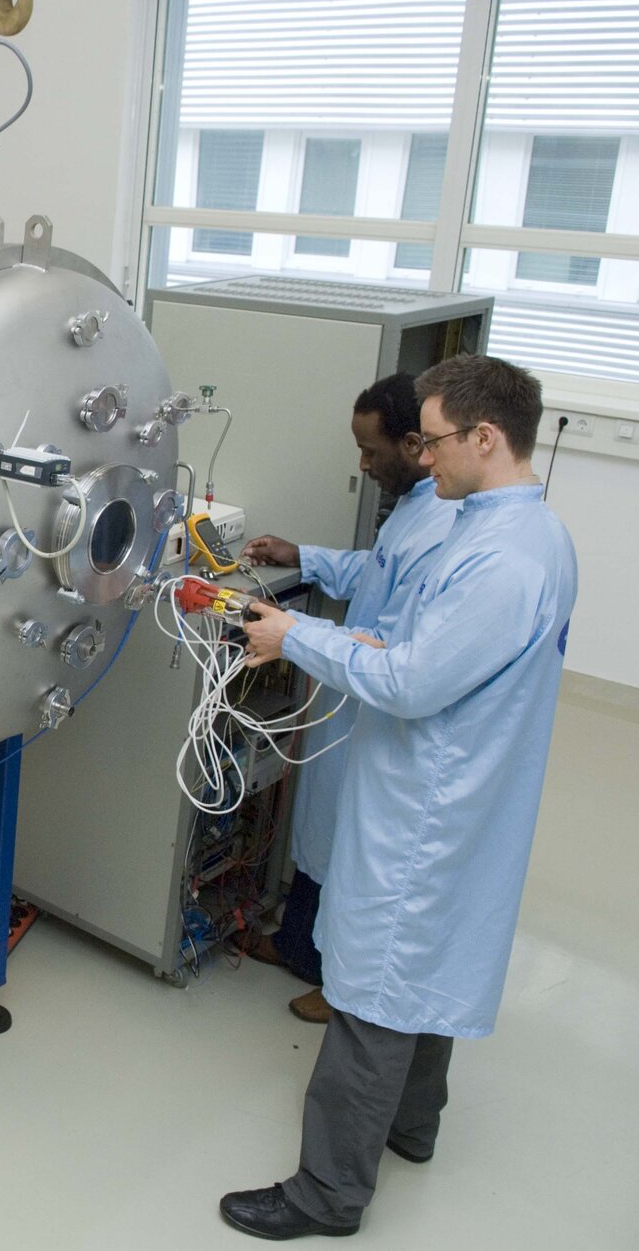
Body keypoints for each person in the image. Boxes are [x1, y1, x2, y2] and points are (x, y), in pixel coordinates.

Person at [218, 355, 578, 1240]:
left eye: (440, 439)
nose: (424, 457)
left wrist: (293, 633)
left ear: (486, 438)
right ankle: (412, 1128)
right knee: (430, 968)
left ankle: (327, 1193)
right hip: (453, 791)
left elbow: (412, 679)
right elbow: (401, 606)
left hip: (433, 802)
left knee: (378, 992)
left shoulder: (503, 559)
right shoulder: (501, 528)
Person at [239, 374, 460, 1025]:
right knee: (320, 825)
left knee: (348, 845)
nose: (363, 466)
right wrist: (303, 556)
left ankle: (337, 980)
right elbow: (375, 572)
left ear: (416, 444)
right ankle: (299, 945)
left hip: (376, 704)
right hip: (349, 700)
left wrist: (294, 633)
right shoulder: (417, 506)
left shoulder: (443, 523)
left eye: (371, 450)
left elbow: (392, 649)